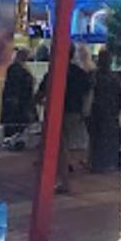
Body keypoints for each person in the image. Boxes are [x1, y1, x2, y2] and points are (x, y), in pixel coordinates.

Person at [36, 52, 93, 193]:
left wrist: (38, 101)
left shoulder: (54, 72)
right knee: (67, 143)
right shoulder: (78, 72)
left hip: (59, 111)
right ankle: (66, 168)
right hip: (74, 111)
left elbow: (41, 92)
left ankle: (64, 180)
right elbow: (88, 90)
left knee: (60, 146)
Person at [88, 49, 121, 173]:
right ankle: (109, 163)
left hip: (97, 109)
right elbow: (119, 95)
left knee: (97, 138)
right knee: (109, 137)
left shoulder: (94, 76)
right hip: (109, 110)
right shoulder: (114, 77)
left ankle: (97, 164)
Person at [2, 48, 36, 150]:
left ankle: (15, 141)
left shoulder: (17, 67)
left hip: (21, 100)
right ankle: (12, 141)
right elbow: (15, 85)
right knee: (16, 122)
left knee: (19, 122)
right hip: (19, 100)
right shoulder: (17, 68)